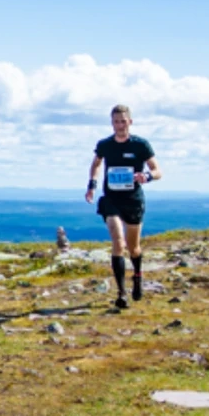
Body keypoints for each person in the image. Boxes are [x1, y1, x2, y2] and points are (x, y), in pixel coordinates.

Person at [85, 104, 163, 309]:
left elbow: (157, 170)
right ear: (112, 123)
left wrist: (146, 176)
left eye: (123, 121)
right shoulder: (105, 144)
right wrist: (92, 185)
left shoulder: (140, 145)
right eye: (116, 121)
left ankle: (137, 276)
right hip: (111, 199)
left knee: (133, 248)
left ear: (130, 122)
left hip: (133, 200)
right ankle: (121, 293)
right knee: (118, 243)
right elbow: (96, 163)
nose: (119, 125)